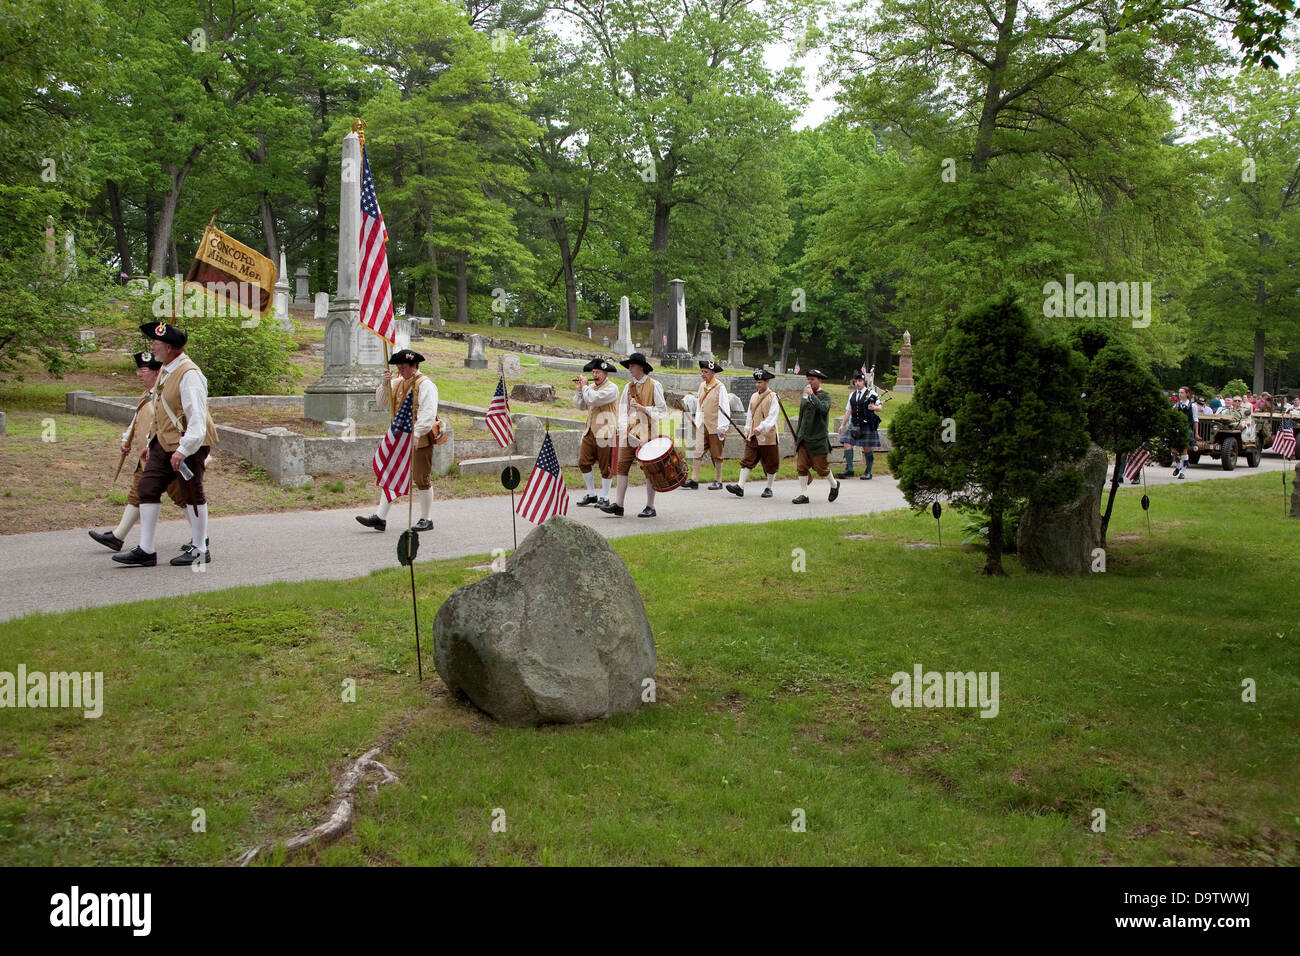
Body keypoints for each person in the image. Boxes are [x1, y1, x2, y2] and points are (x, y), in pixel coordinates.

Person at [113, 322, 219, 567]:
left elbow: (197, 418)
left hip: (190, 442)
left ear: (169, 348)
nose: (152, 347)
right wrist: (152, 442)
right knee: (147, 487)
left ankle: (200, 548)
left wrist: (184, 449)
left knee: (192, 493)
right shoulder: (166, 369)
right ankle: (146, 550)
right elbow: (160, 409)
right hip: (163, 442)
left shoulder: (189, 374)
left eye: (156, 344)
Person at [89, 351, 186, 551]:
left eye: (144, 371)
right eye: (138, 371)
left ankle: (201, 538)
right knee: (139, 492)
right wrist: (127, 440)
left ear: (157, 372)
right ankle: (118, 536)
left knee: (185, 496)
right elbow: (137, 421)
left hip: (166, 455)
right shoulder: (147, 396)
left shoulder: (166, 395)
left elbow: (167, 426)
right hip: (149, 457)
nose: (139, 375)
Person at [356, 349, 439, 532]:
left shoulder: (426, 385)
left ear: (414, 366)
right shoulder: (397, 383)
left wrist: (416, 434)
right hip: (400, 438)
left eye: (404, 367)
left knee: (421, 478)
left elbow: (428, 414)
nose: (400, 371)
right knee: (391, 474)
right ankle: (380, 517)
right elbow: (382, 402)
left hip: (421, 437)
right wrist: (384, 384)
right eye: (399, 367)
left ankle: (427, 518)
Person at [600, 352, 667, 518]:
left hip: (648, 435)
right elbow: (623, 411)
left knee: (649, 471)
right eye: (629, 365)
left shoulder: (654, 385)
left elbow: (662, 410)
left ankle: (650, 506)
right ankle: (619, 505)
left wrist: (645, 409)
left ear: (641, 367)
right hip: (630, 435)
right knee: (622, 467)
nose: (629, 368)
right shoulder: (628, 387)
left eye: (632, 365)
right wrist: (624, 426)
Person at [726, 368, 781, 498]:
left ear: (767, 382)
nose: (758, 385)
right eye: (756, 382)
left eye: (760, 382)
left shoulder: (773, 397)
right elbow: (750, 415)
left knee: (771, 463)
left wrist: (761, 427)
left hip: (768, 436)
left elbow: (772, 417)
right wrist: (747, 430)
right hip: (753, 435)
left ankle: (769, 487)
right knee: (747, 460)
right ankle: (740, 486)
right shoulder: (753, 396)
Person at [572, 357, 619, 507]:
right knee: (583, 462)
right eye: (593, 372)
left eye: (598, 372)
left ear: (605, 373)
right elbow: (580, 405)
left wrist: (585, 387)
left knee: (606, 467)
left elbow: (593, 400)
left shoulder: (612, 388)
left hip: (605, 432)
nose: (595, 375)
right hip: (590, 431)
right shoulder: (590, 388)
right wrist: (580, 391)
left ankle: (605, 497)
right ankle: (591, 494)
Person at [792, 369, 840, 504]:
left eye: (812, 379)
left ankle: (834, 485)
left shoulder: (826, 396)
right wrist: (798, 434)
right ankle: (804, 494)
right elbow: (802, 415)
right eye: (808, 379)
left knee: (822, 468)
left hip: (818, 439)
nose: (809, 382)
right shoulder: (806, 395)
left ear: (819, 380)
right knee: (801, 467)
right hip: (804, 438)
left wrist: (812, 396)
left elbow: (823, 409)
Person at [684, 360, 729, 490]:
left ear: (713, 373)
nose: (703, 374)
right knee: (697, 451)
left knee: (717, 454)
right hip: (702, 424)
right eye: (702, 372)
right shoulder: (702, 385)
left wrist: (723, 427)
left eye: (706, 372)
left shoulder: (720, 387)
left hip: (716, 425)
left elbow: (724, 408)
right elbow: (700, 404)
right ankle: (694, 479)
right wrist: (697, 420)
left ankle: (718, 480)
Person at [835, 372, 883, 480]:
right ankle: (849, 469)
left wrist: (874, 407)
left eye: (859, 381)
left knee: (866, 449)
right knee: (847, 443)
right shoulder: (852, 395)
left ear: (864, 382)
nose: (857, 383)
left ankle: (868, 471)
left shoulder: (871, 393)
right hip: (854, 424)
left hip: (867, 424)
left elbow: (880, 408)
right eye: (856, 381)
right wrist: (842, 425)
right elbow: (848, 411)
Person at [1172, 385, 1197, 479]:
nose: (1180, 394)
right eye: (1179, 392)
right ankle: (1178, 466)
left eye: (1182, 392)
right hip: (1177, 429)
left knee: (1184, 451)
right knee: (1173, 451)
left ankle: (1183, 471)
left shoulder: (1192, 406)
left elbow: (1195, 420)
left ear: (1187, 394)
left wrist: (1196, 433)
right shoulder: (1176, 405)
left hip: (1186, 430)